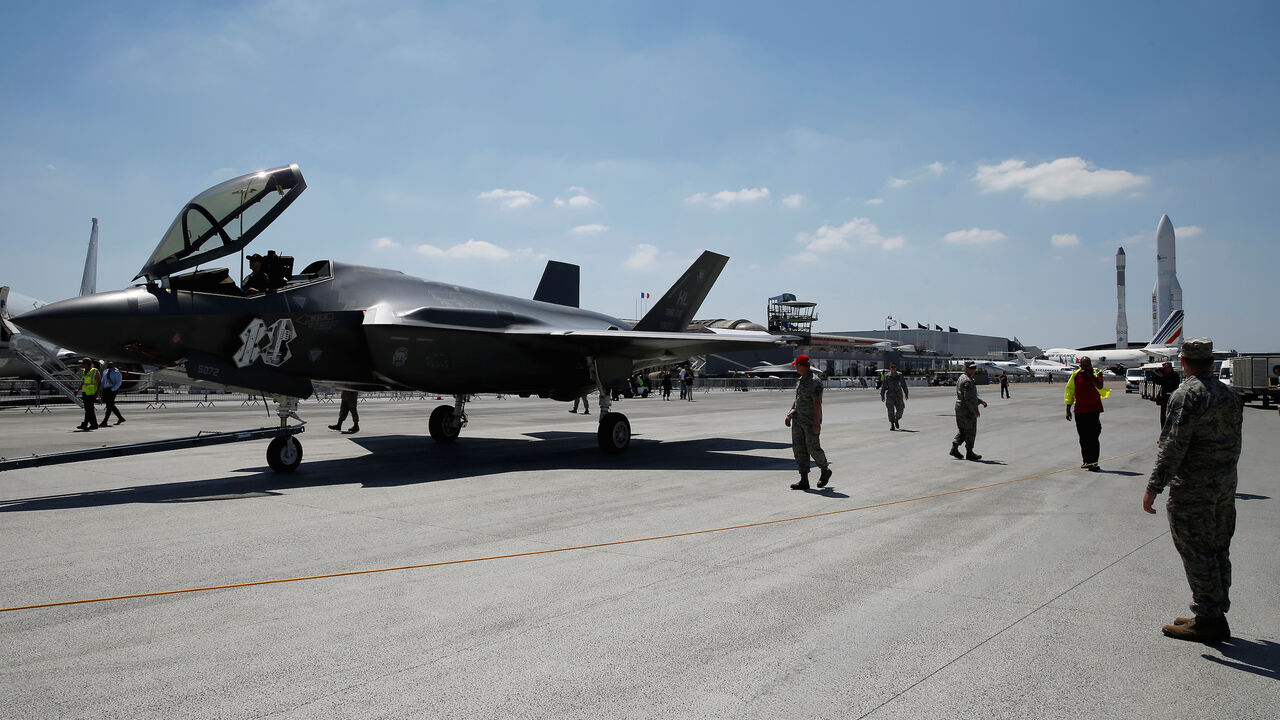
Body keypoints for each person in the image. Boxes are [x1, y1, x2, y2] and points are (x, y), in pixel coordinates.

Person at [1142, 338, 1243, 643]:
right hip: (1224, 485)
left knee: (1197, 551)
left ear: (1183, 362)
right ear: (1211, 362)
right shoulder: (1230, 394)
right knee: (1217, 547)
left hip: (1194, 488)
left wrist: (1153, 487)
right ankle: (1213, 609)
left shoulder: (1187, 394)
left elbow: (1173, 446)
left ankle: (1209, 619)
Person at [785, 354, 831, 490]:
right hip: (798, 420)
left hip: (810, 422)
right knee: (799, 449)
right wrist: (789, 414)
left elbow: (817, 403)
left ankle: (825, 470)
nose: (796, 368)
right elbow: (797, 399)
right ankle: (804, 480)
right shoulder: (801, 380)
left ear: (803, 365)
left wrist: (817, 423)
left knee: (813, 448)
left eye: (797, 365)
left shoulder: (815, 381)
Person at [1065, 356, 1109, 471]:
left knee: (1093, 437)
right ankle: (1086, 461)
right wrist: (1068, 409)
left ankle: (1094, 462)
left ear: (1091, 365)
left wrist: (1090, 375)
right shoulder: (1075, 375)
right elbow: (1070, 391)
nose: (1085, 368)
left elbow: (1100, 386)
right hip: (1080, 410)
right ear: (1080, 366)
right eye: (1083, 366)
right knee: (1083, 438)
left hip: (1093, 410)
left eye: (1087, 365)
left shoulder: (1097, 372)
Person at [949, 361, 987, 460]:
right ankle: (969, 452)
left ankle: (954, 448)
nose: (973, 370)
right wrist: (974, 410)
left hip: (960, 407)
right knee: (970, 431)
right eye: (971, 368)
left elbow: (969, 395)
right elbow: (968, 398)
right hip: (966, 410)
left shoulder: (962, 377)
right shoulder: (968, 381)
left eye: (974, 368)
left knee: (962, 430)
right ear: (966, 369)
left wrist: (980, 401)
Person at [879, 361, 909, 431]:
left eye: (894, 367)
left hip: (898, 396)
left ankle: (896, 419)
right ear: (890, 368)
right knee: (890, 411)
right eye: (892, 367)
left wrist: (906, 394)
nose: (893, 368)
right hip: (890, 396)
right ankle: (892, 424)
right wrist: (882, 395)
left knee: (900, 410)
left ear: (896, 367)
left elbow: (904, 385)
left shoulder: (900, 375)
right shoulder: (887, 376)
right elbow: (883, 387)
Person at [1154, 361, 1181, 428]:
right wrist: (1158, 376)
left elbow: (1172, 385)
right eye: (1164, 368)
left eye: (1166, 368)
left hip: (1172, 397)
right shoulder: (1163, 375)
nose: (1164, 370)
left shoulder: (1175, 375)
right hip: (1164, 398)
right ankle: (1163, 429)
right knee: (1163, 416)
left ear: (1170, 368)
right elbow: (1158, 382)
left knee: (1172, 415)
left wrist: (1163, 377)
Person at [76, 358, 100, 431]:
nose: (82, 365)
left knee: (89, 410)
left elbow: (99, 382)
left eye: (83, 363)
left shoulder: (94, 371)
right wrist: (78, 389)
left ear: (87, 364)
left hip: (92, 393)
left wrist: (97, 393)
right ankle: (93, 424)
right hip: (85, 392)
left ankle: (87, 424)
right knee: (88, 410)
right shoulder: (84, 372)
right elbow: (84, 382)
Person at [99, 361, 126, 427]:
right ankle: (120, 418)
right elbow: (103, 380)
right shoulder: (105, 371)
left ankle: (105, 421)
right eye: (108, 364)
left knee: (109, 406)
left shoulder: (117, 372)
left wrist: (112, 389)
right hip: (106, 389)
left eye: (110, 364)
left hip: (112, 389)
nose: (109, 365)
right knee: (110, 405)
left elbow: (118, 383)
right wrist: (101, 388)